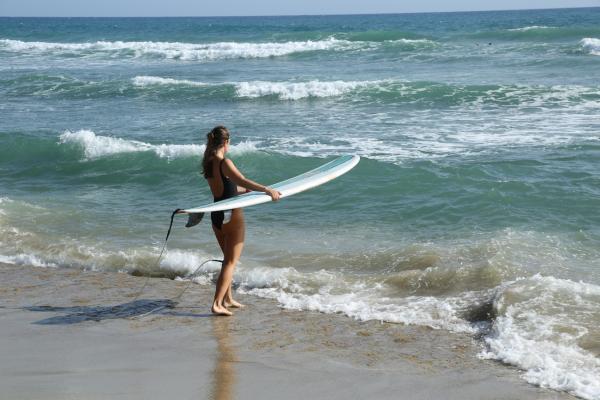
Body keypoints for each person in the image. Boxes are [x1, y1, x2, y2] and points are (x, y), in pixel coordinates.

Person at [202, 126, 280, 316]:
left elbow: (225, 189)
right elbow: (242, 179)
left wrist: (244, 191)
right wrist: (266, 190)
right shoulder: (224, 162)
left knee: (226, 260)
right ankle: (216, 304)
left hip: (217, 215)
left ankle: (227, 299)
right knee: (230, 262)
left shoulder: (209, 162)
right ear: (226, 142)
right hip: (232, 215)